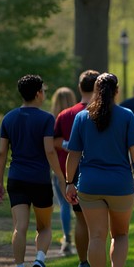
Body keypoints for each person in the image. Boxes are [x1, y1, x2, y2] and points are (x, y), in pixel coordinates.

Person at [63, 73, 134, 267]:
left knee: (97, 236)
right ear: (116, 91)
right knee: (120, 235)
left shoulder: (82, 117)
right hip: (120, 184)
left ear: (95, 92)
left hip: (90, 185)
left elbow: (73, 154)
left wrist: (69, 182)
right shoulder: (127, 116)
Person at [0, 75, 65, 267]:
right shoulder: (46, 119)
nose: (44, 94)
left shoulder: (8, 118)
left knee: (20, 227)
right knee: (44, 227)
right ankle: (40, 260)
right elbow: (49, 150)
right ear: (37, 94)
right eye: (43, 90)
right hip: (39, 180)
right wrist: (62, 178)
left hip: (16, 178)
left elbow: (1, 153)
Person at [55, 69, 100, 267]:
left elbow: (53, 140)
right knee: (101, 222)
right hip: (101, 172)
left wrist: (67, 145)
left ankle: (83, 262)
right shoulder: (106, 112)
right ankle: (101, 263)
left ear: (80, 88)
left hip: (75, 174)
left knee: (81, 220)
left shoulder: (66, 115)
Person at [50, 86, 78, 254]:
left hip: (60, 165)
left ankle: (67, 238)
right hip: (78, 164)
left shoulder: (55, 119)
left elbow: (51, 142)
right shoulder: (79, 115)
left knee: (63, 205)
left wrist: (64, 144)